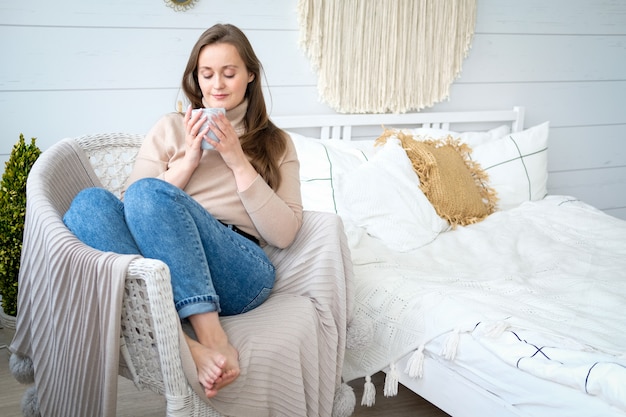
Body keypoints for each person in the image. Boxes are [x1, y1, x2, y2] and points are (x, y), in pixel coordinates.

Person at [63, 23, 303, 399]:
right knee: (88, 205)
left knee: (148, 194)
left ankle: (212, 335)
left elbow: (286, 233)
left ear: (251, 75)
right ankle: (185, 344)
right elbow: (131, 208)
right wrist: (189, 161)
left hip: (238, 271)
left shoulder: (276, 142)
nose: (217, 85)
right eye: (207, 74)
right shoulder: (170, 128)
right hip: (166, 265)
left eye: (229, 73)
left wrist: (238, 161)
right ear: (195, 77)